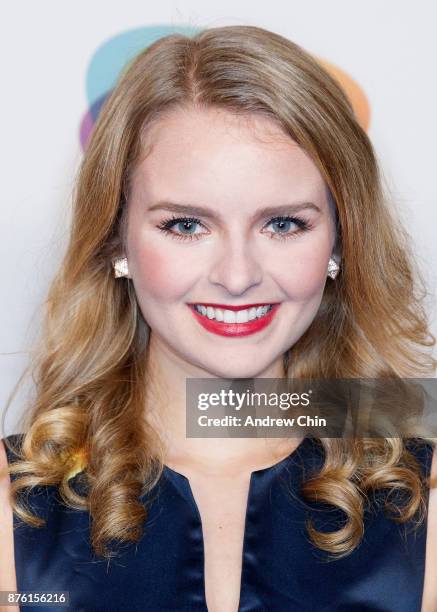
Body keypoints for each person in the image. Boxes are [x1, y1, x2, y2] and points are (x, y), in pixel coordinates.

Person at [1, 24, 437, 612]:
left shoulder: (421, 498)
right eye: (186, 225)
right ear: (116, 241)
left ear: (340, 241)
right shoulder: (15, 503)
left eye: (283, 224)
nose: (237, 276)